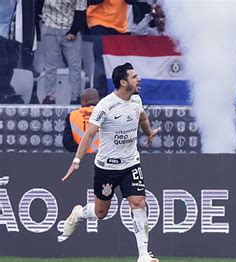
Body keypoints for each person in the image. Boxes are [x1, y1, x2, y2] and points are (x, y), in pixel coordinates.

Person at [59, 63, 161, 262]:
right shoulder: (105, 106)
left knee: (138, 202)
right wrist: (77, 160)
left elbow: (142, 118)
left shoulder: (136, 100)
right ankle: (79, 213)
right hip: (106, 167)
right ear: (123, 82)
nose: (138, 79)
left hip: (131, 164)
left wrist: (149, 133)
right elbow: (89, 135)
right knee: (100, 213)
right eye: (134, 77)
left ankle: (143, 255)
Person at [41, 0, 86, 104]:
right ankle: (49, 96)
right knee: (50, 65)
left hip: (69, 30)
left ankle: (75, 97)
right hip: (49, 27)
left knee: (75, 66)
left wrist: (73, 31)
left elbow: (81, 11)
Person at [63, 88, 101, 153]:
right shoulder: (107, 115)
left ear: (83, 101)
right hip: (101, 157)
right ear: (98, 100)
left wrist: (80, 152)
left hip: (78, 158)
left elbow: (67, 141)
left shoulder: (72, 115)